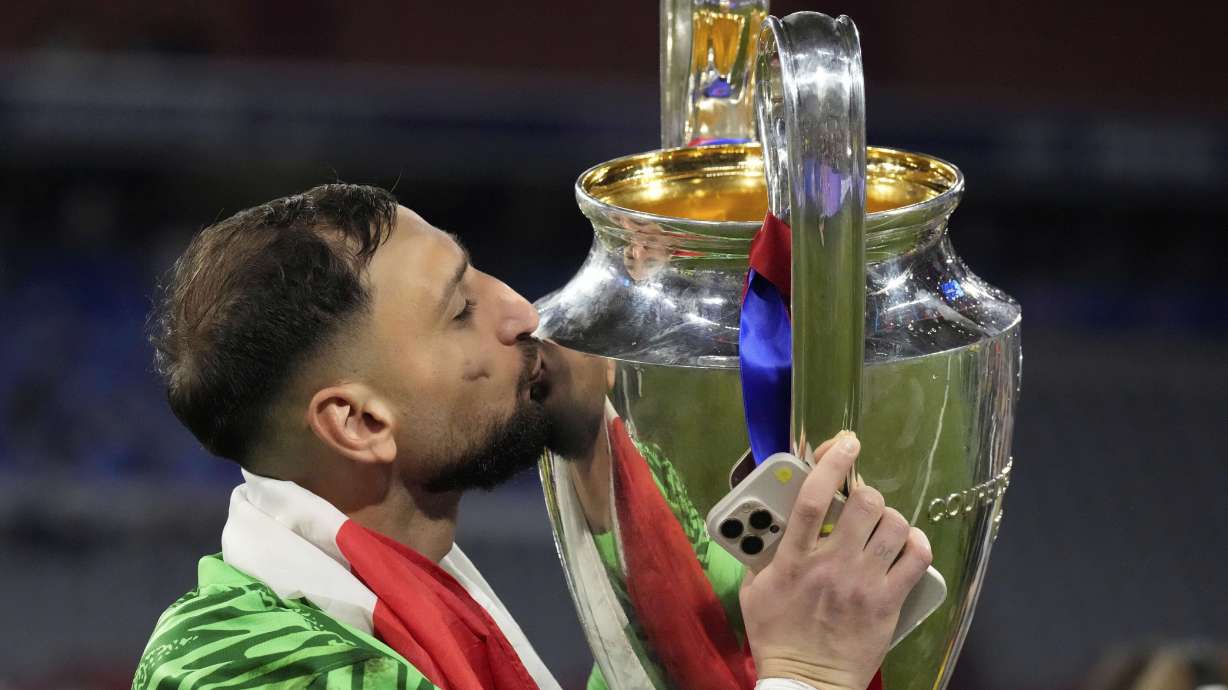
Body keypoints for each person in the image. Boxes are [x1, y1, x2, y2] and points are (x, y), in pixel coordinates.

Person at [133, 183, 933, 690]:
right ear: (360, 422)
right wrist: (807, 676)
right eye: (460, 311)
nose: (521, 311)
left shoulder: (406, 590)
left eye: (477, 273)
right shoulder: (236, 665)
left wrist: (593, 455)